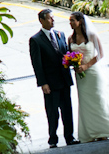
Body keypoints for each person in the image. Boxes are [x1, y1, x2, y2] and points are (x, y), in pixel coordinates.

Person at [68, 11, 109, 142]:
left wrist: (86, 66)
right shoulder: (71, 39)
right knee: (85, 103)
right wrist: (74, 65)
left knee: (98, 100)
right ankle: (91, 132)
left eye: (72, 21)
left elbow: (100, 54)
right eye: (69, 21)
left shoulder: (92, 35)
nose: (70, 23)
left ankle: (106, 130)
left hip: (93, 73)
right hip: (80, 76)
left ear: (80, 22)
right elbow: (69, 56)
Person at [29, 9, 79, 148]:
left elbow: (65, 54)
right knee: (52, 112)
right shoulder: (36, 40)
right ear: (42, 20)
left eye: (53, 18)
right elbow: (37, 64)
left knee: (67, 110)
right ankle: (53, 139)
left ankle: (70, 137)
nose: (53, 20)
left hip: (64, 79)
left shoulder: (60, 34)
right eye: (50, 18)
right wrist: (43, 83)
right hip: (50, 83)